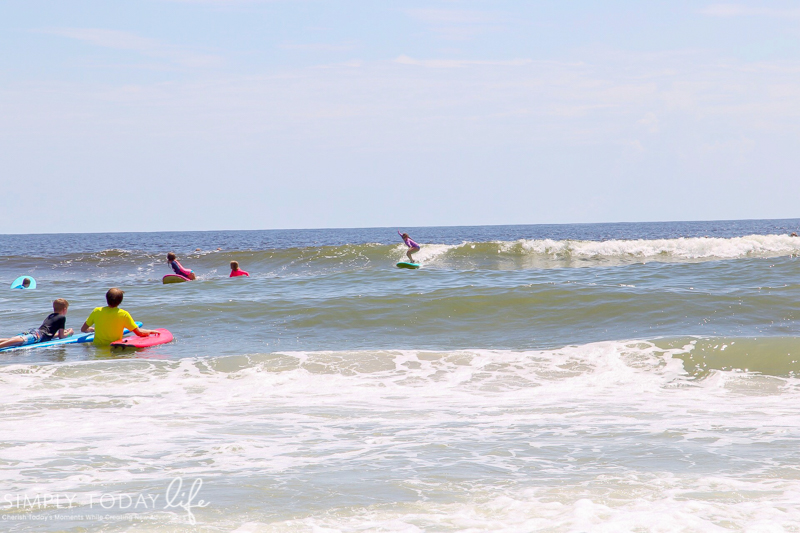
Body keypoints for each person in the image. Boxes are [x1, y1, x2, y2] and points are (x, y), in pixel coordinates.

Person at [81, 288, 159, 346]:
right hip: (114, 347)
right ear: (120, 301)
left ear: (106, 298)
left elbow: (83, 329)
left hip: (97, 347)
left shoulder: (97, 311)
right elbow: (139, 333)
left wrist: (90, 330)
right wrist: (151, 331)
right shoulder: (124, 314)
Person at [0, 299, 74, 349]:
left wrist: (59, 334)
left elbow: (49, 333)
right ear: (64, 309)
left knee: (14, 339)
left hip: (36, 332)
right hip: (39, 335)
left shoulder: (51, 315)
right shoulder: (62, 318)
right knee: (19, 340)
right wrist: (69, 333)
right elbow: (62, 336)